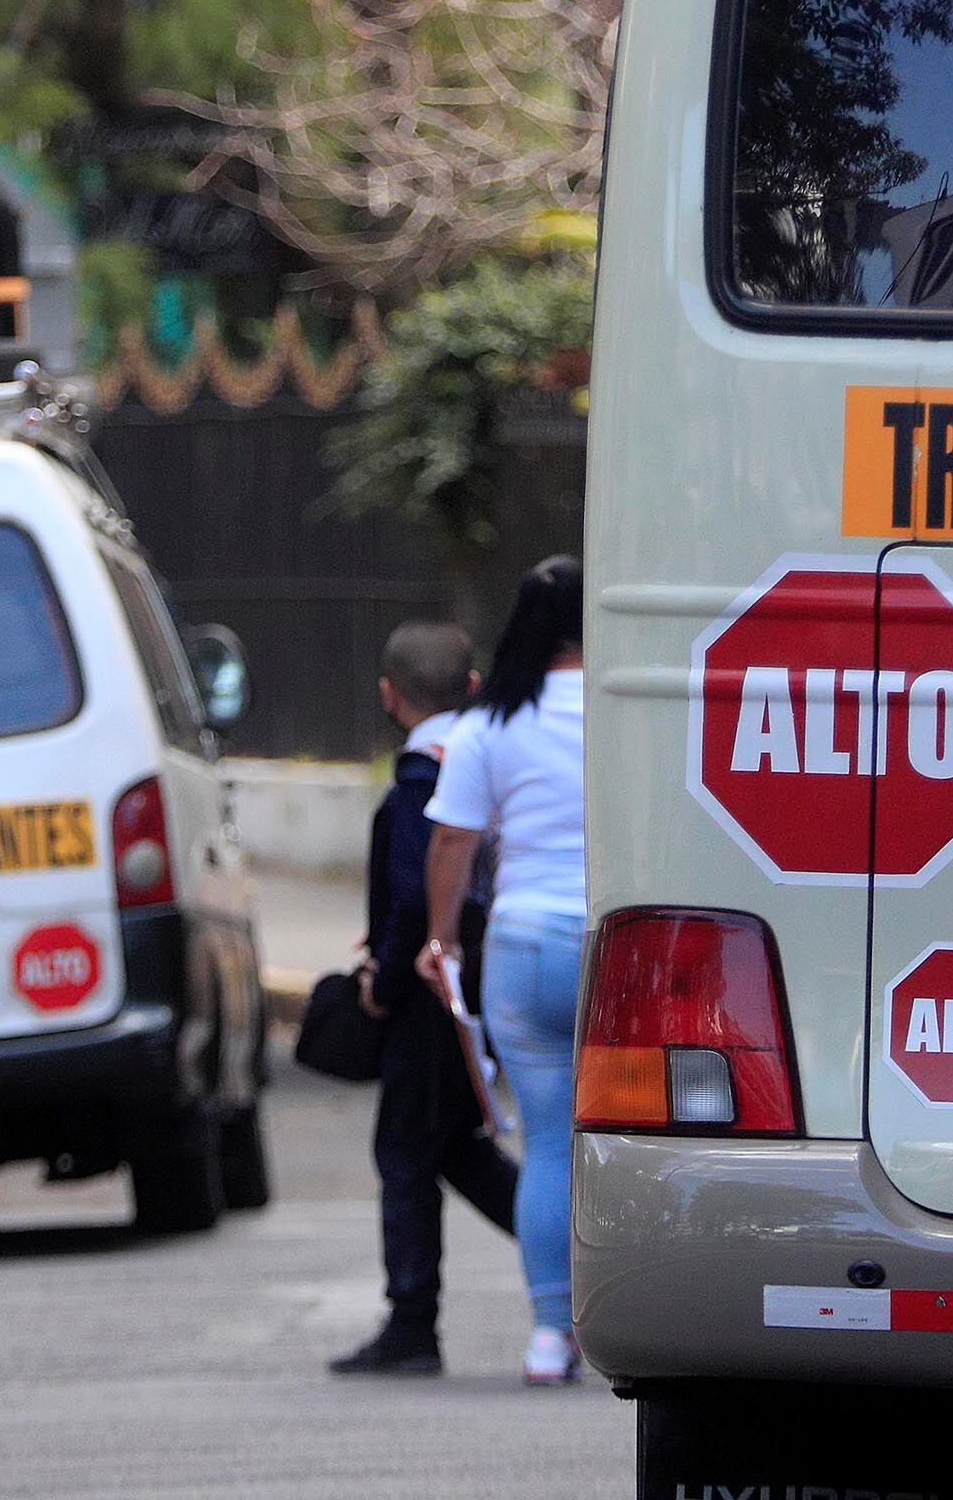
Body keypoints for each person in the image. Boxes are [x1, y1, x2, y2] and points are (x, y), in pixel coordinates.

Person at [418, 555, 587, 1386]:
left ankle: (551, 1336)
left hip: (525, 947)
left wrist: (442, 940)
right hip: (632, 951)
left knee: (551, 1143)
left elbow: (453, 840)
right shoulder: (637, 710)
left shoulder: (489, 725)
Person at [333, 621, 518, 1378]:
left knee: (407, 1148)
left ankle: (412, 1324)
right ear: (472, 689)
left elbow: (417, 890)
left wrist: (383, 973)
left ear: (388, 695)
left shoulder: (423, 773)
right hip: (493, 971)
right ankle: (569, 1259)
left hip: (431, 989)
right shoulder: (491, 753)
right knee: (453, 1144)